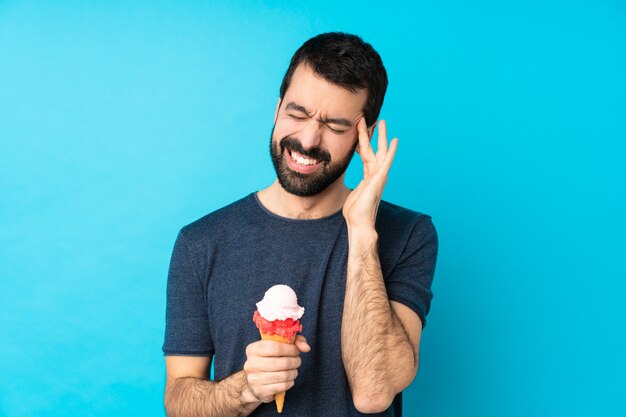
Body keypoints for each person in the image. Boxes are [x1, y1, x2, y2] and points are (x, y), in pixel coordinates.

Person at [162, 32, 438, 416]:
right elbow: (179, 402)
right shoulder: (201, 242)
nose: (308, 140)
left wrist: (361, 233)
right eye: (297, 113)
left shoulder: (409, 234)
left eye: (336, 126)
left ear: (365, 137)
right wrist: (245, 388)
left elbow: (374, 393)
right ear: (277, 109)